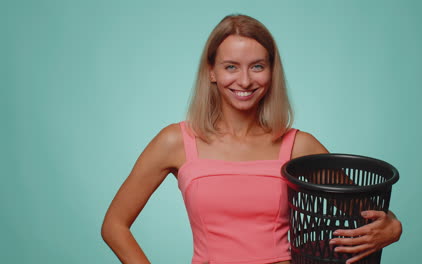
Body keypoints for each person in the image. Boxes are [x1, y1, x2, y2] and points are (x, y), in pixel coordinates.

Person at [101, 14, 402, 264]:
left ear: (271, 71)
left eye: (257, 66)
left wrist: (393, 227)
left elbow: (367, 213)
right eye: (231, 66)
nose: (244, 81)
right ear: (212, 72)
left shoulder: (299, 145)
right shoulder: (176, 141)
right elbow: (114, 226)